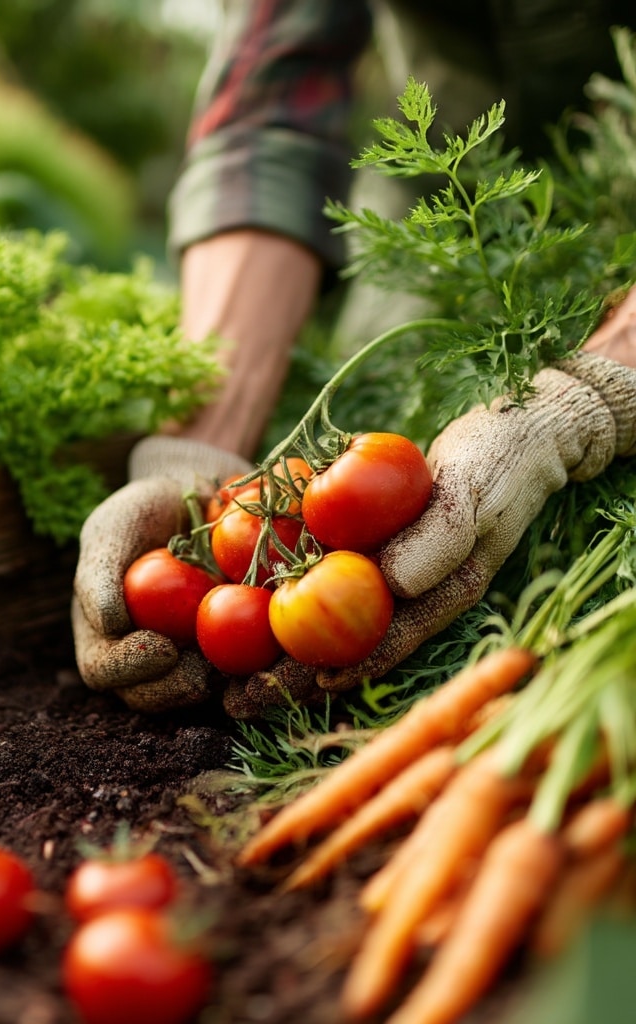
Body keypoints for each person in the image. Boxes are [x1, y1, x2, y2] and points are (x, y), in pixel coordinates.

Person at [71, 0, 636, 716]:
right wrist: (201, 436)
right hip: (438, 192)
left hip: (621, 169)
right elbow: (270, 108)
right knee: (393, 413)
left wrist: (589, 398)